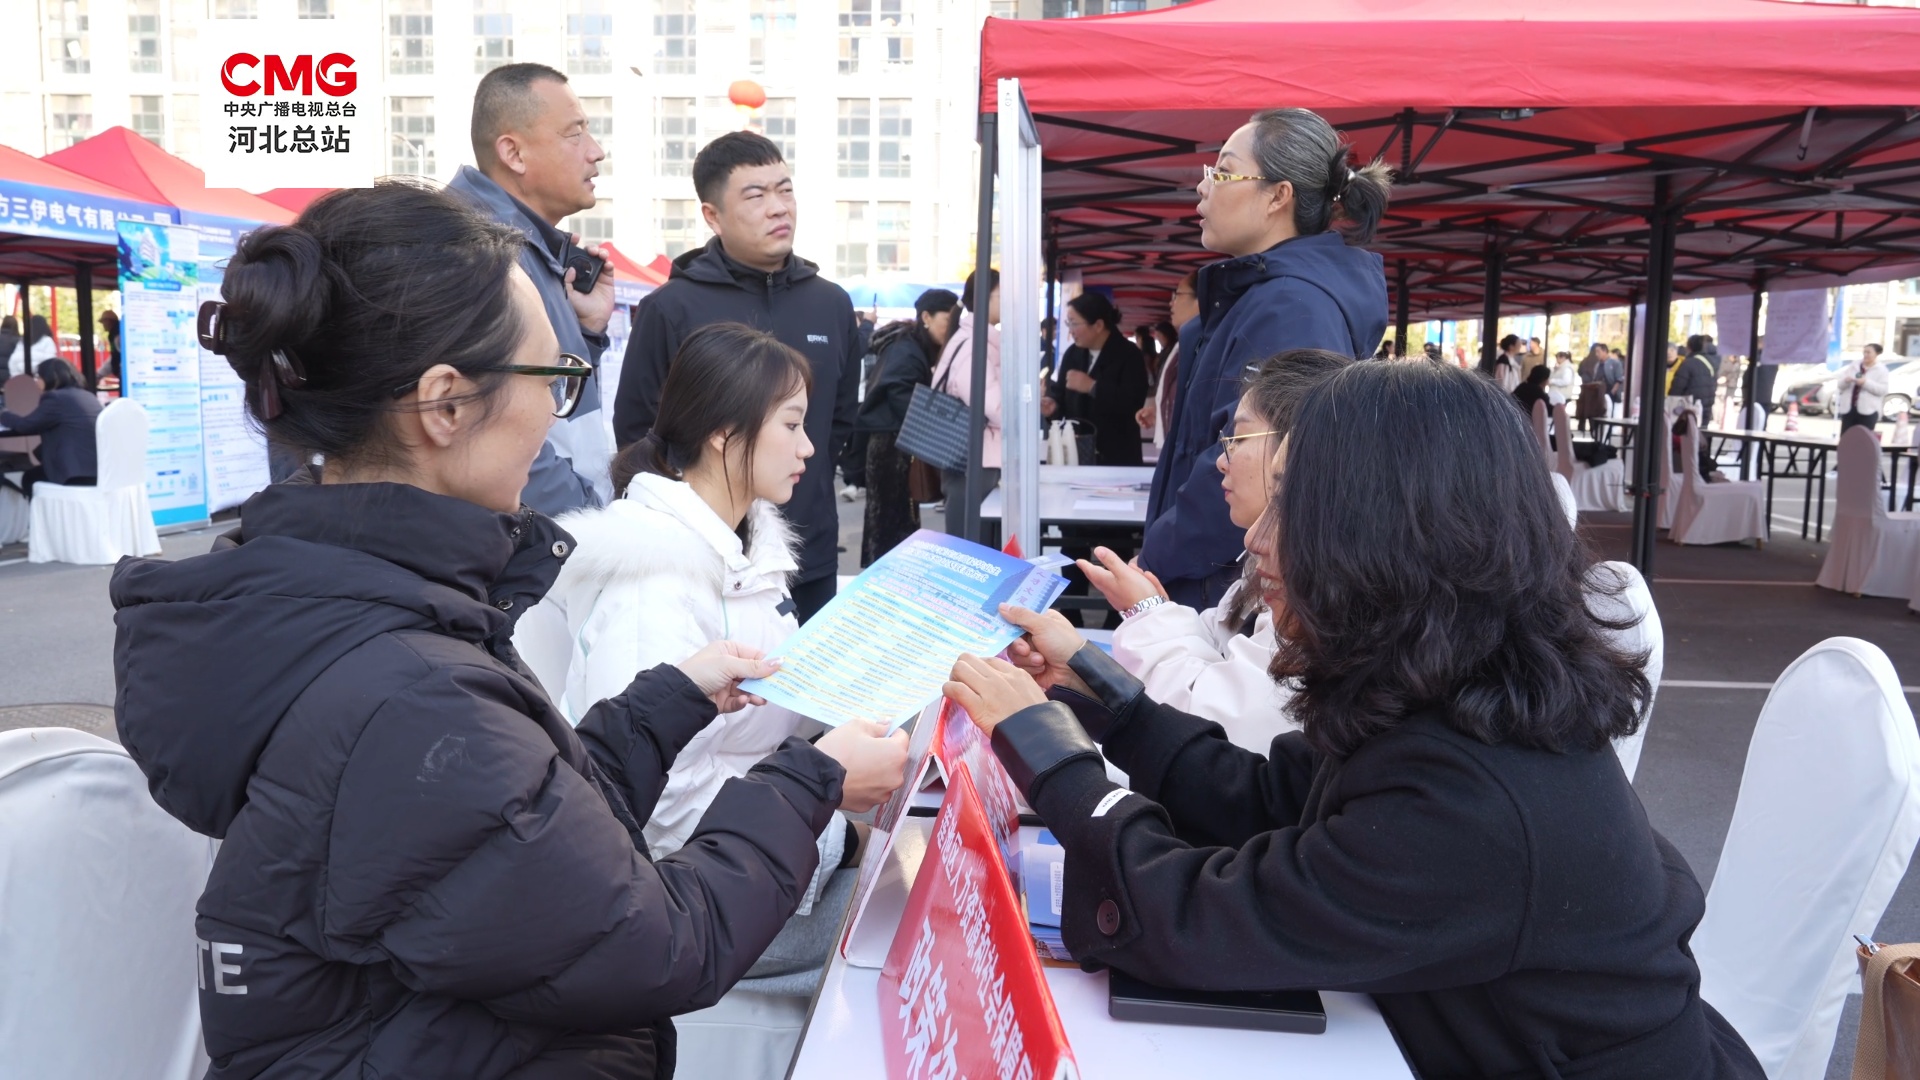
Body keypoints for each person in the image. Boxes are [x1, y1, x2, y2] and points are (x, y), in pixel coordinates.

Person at [110, 180, 903, 1079]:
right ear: (445, 405)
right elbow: (651, 944)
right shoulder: (406, 687)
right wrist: (810, 781)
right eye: (554, 379)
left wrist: (661, 708)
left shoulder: (361, 607)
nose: (556, 418)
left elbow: (513, 830)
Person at [946, 360, 1765, 1080]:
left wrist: (1050, 757)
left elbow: (1197, 920)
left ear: (1391, 539)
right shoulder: (1455, 696)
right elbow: (1267, 798)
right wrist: (1101, 698)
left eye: (1294, 507)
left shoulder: (1473, 797)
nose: (1259, 540)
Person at [525, 323, 909, 1043]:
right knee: (907, 922)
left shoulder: (736, 549)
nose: (809, 448)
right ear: (724, 434)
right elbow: (660, 813)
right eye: (791, 425)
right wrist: (837, 832)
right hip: (694, 894)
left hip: (755, 854)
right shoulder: (654, 584)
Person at [1141, 107, 1390, 610]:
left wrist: (1155, 559)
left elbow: (1253, 464)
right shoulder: (1268, 297)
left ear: (1279, 196)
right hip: (1216, 583)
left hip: (1230, 595)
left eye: (1224, 172)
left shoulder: (1292, 307)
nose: (1203, 188)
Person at [614, 131, 861, 624]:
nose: (778, 207)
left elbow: (837, 422)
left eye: (785, 190)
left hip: (808, 551)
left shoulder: (831, 303)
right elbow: (640, 433)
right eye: (755, 195)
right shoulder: (671, 308)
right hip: (703, 563)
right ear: (713, 215)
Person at [1082, 349, 1352, 749]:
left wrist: (1147, 613)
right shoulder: (1276, 562)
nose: (1223, 462)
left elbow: (1220, 721)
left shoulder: (1326, 589)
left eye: (1238, 439)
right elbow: (1221, 638)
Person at [447, 62, 617, 516]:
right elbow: (499, 431)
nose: (596, 152)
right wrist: (583, 525)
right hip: (539, 539)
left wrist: (587, 334)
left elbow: (554, 406)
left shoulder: (524, 247)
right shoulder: (476, 250)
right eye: (575, 133)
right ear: (514, 154)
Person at [857, 288, 959, 563]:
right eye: (947, 320)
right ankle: (889, 577)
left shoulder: (911, 345)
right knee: (891, 521)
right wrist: (932, 427)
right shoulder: (906, 349)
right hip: (892, 448)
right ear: (926, 317)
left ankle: (891, 573)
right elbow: (898, 391)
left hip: (896, 442)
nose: (951, 329)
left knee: (895, 520)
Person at [930, 268, 1001, 522]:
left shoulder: (973, 338)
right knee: (969, 535)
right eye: (1002, 295)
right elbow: (991, 405)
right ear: (984, 297)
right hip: (973, 457)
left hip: (969, 454)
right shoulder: (975, 345)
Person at [1049, 291, 1150, 466]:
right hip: (1076, 455)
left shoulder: (1129, 354)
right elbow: (1060, 398)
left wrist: (1093, 387)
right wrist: (1052, 407)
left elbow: (1133, 403)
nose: (1070, 331)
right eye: (1068, 323)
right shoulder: (1072, 354)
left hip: (1117, 457)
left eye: (1074, 323)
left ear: (1098, 325)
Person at [0, 358, 102, 498]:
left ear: (50, 377)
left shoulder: (55, 398)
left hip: (73, 474)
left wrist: (4, 415)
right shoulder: (88, 396)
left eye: (38, 377)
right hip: (98, 472)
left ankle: (45, 513)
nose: (36, 382)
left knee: (29, 478)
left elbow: (25, 425)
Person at [1136, 276, 1198, 451]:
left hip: (1188, 451)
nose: (1171, 303)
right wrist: (1161, 410)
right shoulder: (1181, 346)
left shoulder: (1206, 345)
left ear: (1200, 300)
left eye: (1177, 295)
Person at [1668, 336, 1725, 480]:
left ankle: (1687, 474)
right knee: (1702, 444)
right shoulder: (1711, 363)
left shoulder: (1688, 364)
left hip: (1688, 412)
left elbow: (1676, 390)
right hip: (1705, 409)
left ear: (1689, 347)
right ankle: (1702, 473)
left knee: (1687, 444)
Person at [1836, 343, 1890, 434]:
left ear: (1876, 354)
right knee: (1847, 437)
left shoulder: (1881, 370)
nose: (1865, 355)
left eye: (1868, 352)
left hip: (1868, 410)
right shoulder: (1854, 366)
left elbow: (1883, 390)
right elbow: (1840, 385)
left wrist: (1865, 383)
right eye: (1864, 352)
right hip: (1849, 409)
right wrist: (1846, 381)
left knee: (1864, 437)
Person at [8, 314, 57, 379]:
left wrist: (16, 377)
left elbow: (13, 361)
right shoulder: (47, 341)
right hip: (40, 380)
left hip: (21, 379)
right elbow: (50, 362)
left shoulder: (22, 341)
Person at [1576, 343, 1610, 432]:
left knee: (1586, 409)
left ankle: (1583, 426)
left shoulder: (1585, 361)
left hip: (1586, 389)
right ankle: (1594, 429)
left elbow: (1579, 371)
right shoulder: (1599, 362)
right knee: (1595, 411)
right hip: (1596, 391)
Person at [98, 308, 122, 383]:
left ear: (109, 321)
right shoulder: (116, 334)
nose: (103, 325)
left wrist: (99, 374)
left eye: (103, 322)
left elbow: (116, 357)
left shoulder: (117, 336)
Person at [1604, 343, 1628, 416]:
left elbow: (1620, 378)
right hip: (1619, 390)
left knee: (1615, 410)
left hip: (1618, 390)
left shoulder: (1619, 363)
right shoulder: (1622, 362)